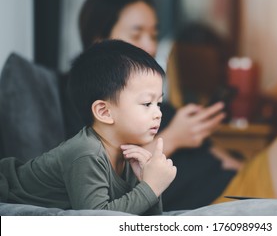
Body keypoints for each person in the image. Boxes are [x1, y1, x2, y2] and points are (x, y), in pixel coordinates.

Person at [74, 0, 277, 209]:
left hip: (236, 179)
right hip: (217, 201)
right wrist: (175, 136)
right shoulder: (89, 98)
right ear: (100, 40)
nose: (149, 45)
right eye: (137, 35)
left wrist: (220, 152)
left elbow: (209, 154)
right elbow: (100, 176)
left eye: (153, 34)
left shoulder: (150, 95)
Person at [0, 40, 176, 215]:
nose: (158, 113)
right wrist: (150, 188)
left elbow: (146, 221)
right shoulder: (86, 152)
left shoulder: (129, 155)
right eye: (147, 103)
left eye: (159, 103)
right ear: (104, 112)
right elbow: (95, 221)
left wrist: (150, 184)